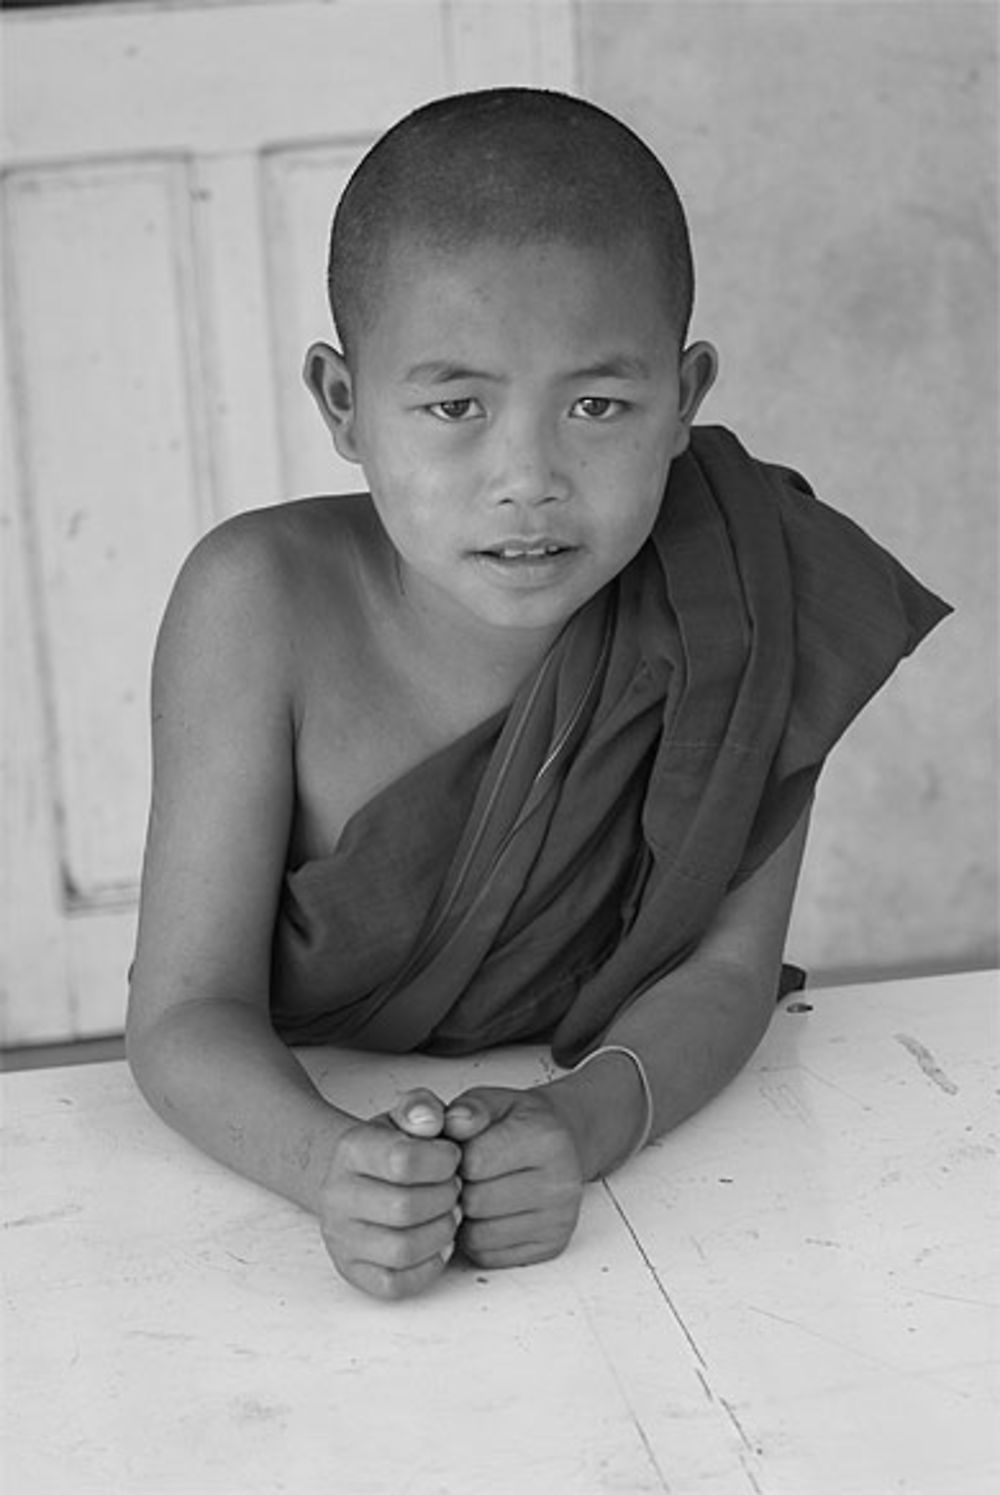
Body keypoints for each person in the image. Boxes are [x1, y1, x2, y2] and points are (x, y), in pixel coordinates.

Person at [126, 88, 950, 1301]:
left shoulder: (751, 586)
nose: (528, 478)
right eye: (454, 405)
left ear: (686, 399)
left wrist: (584, 1125)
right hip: (305, 1117)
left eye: (599, 406)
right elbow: (185, 1010)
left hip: (679, 1202)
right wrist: (328, 1166)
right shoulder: (256, 604)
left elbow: (726, 976)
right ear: (343, 403)